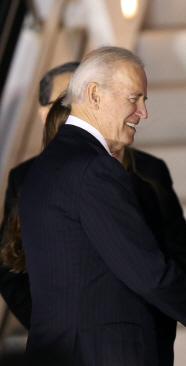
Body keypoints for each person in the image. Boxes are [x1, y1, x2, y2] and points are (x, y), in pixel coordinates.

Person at [17, 46, 186, 366]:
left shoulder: (48, 165)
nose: (143, 113)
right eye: (134, 98)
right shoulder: (94, 168)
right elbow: (146, 272)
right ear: (94, 95)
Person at [0, 62, 80, 329]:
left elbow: (173, 250)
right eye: (63, 103)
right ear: (43, 113)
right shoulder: (23, 178)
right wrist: (51, 328)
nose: (74, 112)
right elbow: (9, 266)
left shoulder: (141, 171)